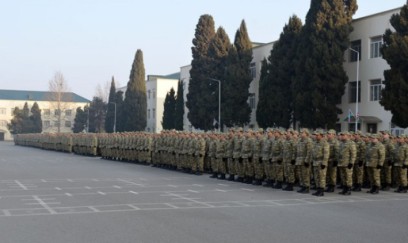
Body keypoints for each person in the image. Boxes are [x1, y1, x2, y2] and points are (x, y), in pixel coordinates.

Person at [311, 129, 330, 196]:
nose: (316, 136)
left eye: (317, 135)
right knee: (316, 177)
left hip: (321, 162)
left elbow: (326, 154)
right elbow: (313, 153)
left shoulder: (325, 143)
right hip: (315, 162)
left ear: (321, 135)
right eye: (315, 135)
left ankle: (321, 190)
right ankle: (318, 189)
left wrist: (324, 163)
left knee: (322, 177)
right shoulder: (315, 143)